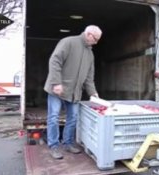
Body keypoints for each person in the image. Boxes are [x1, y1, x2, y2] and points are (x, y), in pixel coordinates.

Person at [44, 25, 102, 159]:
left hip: (74, 92)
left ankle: (68, 143)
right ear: (88, 34)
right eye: (95, 39)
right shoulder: (68, 42)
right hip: (57, 89)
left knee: (73, 118)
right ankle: (53, 146)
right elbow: (54, 61)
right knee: (53, 117)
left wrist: (93, 93)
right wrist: (56, 82)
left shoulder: (90, 54)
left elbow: (89, 77)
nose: (96, 42)